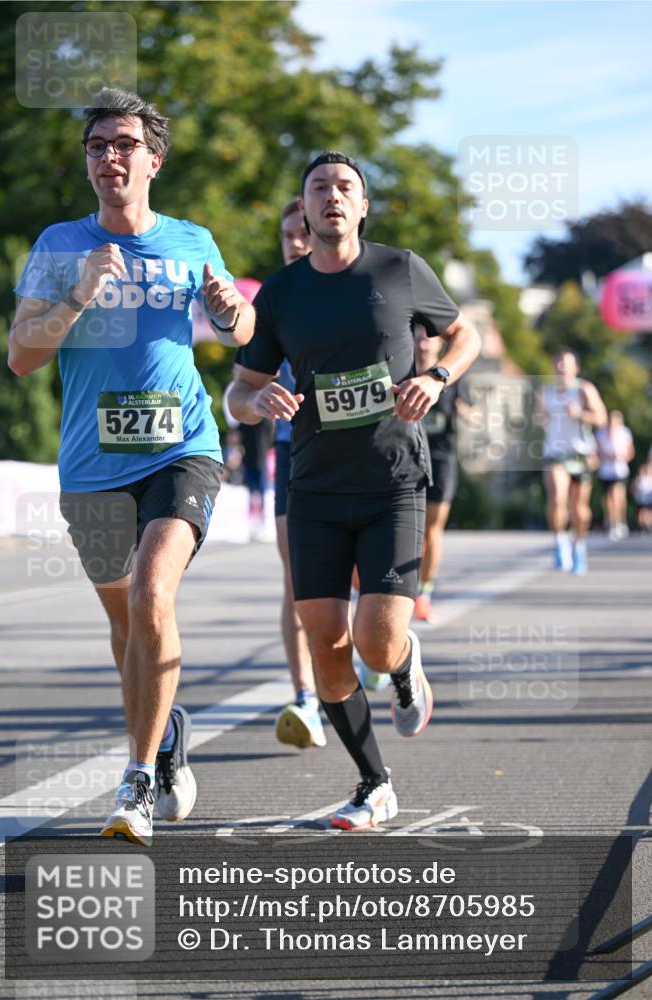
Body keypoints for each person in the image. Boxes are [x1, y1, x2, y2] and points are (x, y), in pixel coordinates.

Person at [8, 87, 255, 846]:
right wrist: (78, 296)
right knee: (128, 628)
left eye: (122, 144)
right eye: (96, 146)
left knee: (152, 594)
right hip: (92, 463)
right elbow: (21, 356)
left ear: (153, 159)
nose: (108, 156)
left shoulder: (192, 239)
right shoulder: (58, 246)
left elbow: (241, 329)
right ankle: (165, 725)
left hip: (182, 447)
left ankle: (138, 778)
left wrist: (228, 307)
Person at [229, 151, 480, 830]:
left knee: (373, 640)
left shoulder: (398, 269)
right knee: (326, 646)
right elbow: (238, 391)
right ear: (303, 212)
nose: (332, 196)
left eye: (345, 187)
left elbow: (465, 333)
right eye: (319, 188)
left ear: (362, 205)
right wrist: (258, 402)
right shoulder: (280, 294)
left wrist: (437, 379)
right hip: (312, 487)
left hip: (391, 481)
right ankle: (373, 783)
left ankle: (401, 665)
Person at [269, 201, 326, 748]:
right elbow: (244, 382)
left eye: (302, 233)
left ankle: (376, 652)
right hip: (293, 450)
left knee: (349, 579)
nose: (294, 242)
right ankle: (305, 698)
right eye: (287, 235)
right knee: (295, 582)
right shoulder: (274, 298)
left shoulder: (351, 289)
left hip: (353, 453)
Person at [413, 330, 476, 623]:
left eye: (429, 338)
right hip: (406, 457)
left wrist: (466, 413)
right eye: (418, 338)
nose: (423, 343)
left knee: (432, 530)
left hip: (440, 460)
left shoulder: (450, 376)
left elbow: (472, 411)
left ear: (439, 344)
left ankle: (423, 594)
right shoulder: (400, 371)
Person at [538, 348, 607, 576]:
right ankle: (560, 543)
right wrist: (541, 418)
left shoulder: (584, 390)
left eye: (566, 364)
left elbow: (601, 419)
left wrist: (579, 414)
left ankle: (579, 546)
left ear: (575, 368)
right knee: (557, 497)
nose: (561, 367)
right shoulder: (545, 391)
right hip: (555, 453)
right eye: (558, 363)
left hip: (579, 453)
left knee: (579, 509)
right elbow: (538, 417)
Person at [595, 410, 634, 539]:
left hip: (620, 470)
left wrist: (621, 457)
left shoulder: (625, 433)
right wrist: (607, 456)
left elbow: (630, 452)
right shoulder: (601, 433)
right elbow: (597, 452)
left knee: (618, 495)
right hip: (605, 471)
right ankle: (611, 521)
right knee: (609, 498)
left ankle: (620, 521)